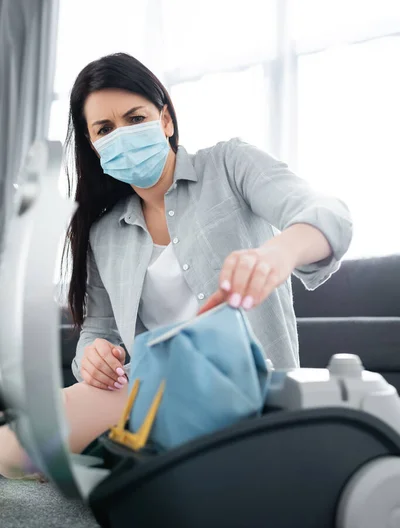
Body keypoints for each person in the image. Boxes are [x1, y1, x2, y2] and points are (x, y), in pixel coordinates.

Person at [0, 52, 352, 478]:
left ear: (164, 119)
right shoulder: (103, 232)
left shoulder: (229, 164)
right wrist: (92, 355)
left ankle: (125, 458)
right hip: (150, 392)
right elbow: (99, 331)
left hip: (252, 391)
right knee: (11, 451)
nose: (122, 136)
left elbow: (329, 213)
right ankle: (127, 455)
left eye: (135, 118)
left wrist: (279, 253)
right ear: (93, 146)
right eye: (105, 129)